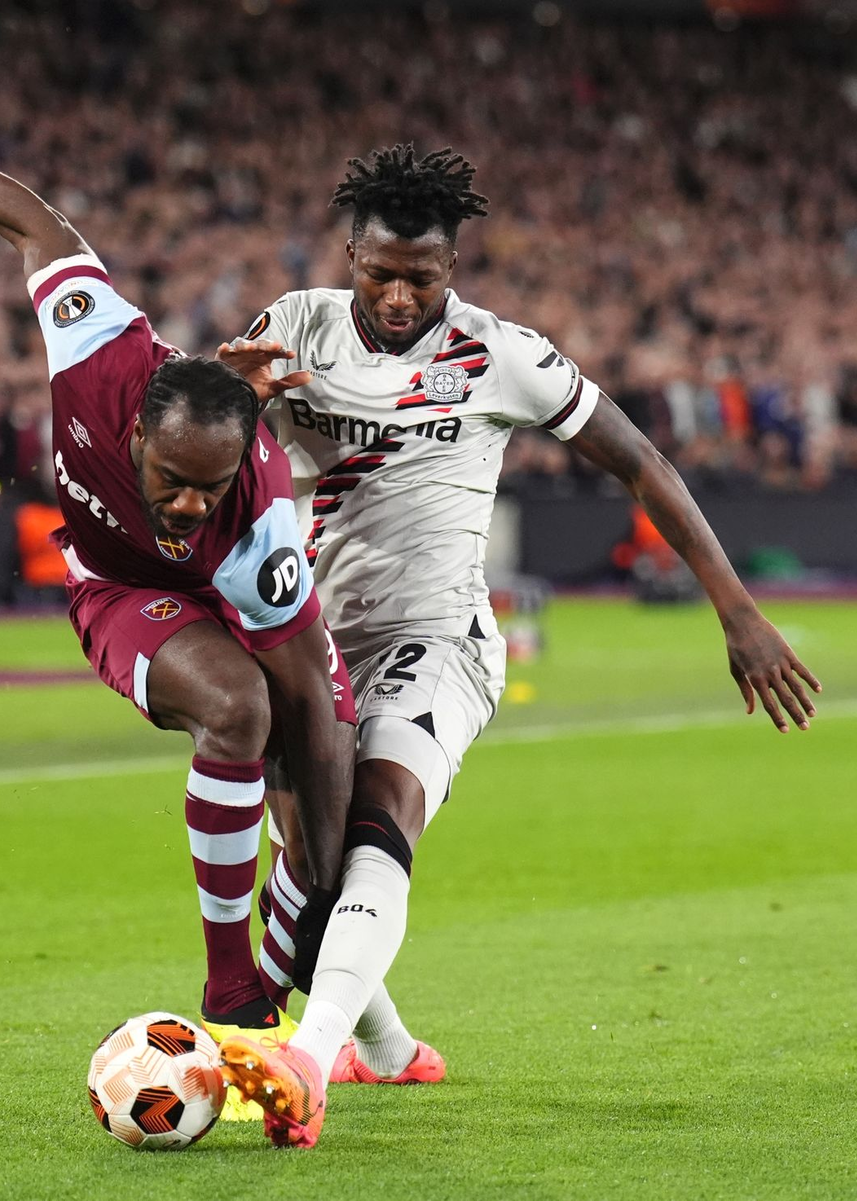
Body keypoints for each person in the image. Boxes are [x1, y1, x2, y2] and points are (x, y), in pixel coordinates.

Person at [215, 144, 822, 1147]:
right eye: (382, 272)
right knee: (313, 860)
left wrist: (738, 609)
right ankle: (383, 1045)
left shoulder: (503, 354)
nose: (402, 293)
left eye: (425, 275)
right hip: (312, 640)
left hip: (438, 636)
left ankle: (305, 1062)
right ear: (349, 254)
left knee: (381, 822)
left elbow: (641, 460)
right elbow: (214, 435)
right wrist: (231, 396)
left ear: (452, 268)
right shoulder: (293, 324)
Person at [0, 90, 357, 1113]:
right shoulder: (96, 352)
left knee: (322, 816)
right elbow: (34, 223)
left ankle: (315, 1009)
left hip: (254, 612)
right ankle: (234, 987)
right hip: (122, 589)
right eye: (174, 478)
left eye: (212, 484)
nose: (191, 502)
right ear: (137, 432)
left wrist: (320, 873)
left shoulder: (261, 519)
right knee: (237, 710)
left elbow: (312, 696)